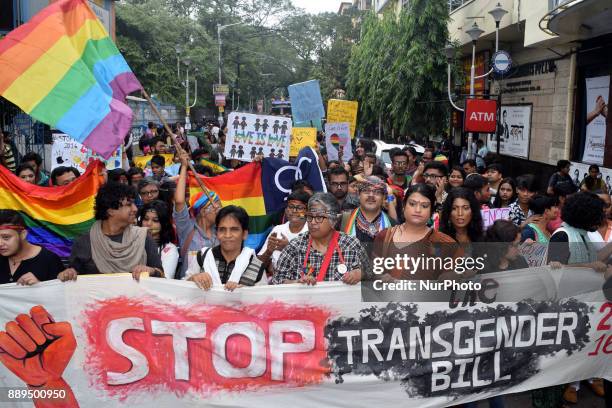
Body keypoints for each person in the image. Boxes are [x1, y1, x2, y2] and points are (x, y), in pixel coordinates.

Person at [60, 183, 164, 280]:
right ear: (110, 210)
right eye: (129, 204)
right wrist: (69, 273)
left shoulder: (143, 237)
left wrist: (151, 271)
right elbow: (74, 276)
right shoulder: (85, 242)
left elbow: (161, 275)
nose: (135, 209)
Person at [272, 192, 369, 285]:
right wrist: (297, 283)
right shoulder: (295, 246)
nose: (313, 222)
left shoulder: (350, 245)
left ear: (334, 220)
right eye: (310, 217)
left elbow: (371, 274)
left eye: (319, 217)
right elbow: (277, 280)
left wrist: (361, 274)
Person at [372, 184, 460, 281]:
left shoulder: (443, 242)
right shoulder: (385, 236)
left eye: (424, 206)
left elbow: (460, 276)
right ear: (404, 206)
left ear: (431, 210)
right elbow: (373, 273)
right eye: (412, 204)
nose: (418, 210)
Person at [174, 151, 220, 279]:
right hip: (189, 289)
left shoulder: (221, 231)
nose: (218, 208)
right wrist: (184, 167)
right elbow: (179, 201)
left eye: (220, 205)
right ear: (202, 210)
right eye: (214, 205)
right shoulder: (187, 228)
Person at [0, 210, 64, 285]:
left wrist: (40, 287)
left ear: (23, 234)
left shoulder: (49, 260)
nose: (0, 243)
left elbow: (61, 294)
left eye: (6, 237)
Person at [258, 191, 309, 276]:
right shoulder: (278, 230)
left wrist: (288, 248)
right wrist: (268, 251)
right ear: (286, 210)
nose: (294, 211)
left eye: (299, 208)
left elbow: (310, 268)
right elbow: (258, 266)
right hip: (277, 283)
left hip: (302, 282)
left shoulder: (312, 231)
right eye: (291, 207)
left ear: (307, 211)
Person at [341, 176, 396, 244]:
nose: (371, 195)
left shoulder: (393, 225)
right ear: (358, 194)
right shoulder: (344, 220)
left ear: (384, 197)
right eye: (366, 191)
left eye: (377, 192)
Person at [138, 201, 179, 279]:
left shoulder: (169, 249)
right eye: (146, 219)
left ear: (164, 224)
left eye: (155, 220)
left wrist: (152, 271)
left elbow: (166, 278)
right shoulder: (134, 241)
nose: (149, 224)